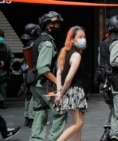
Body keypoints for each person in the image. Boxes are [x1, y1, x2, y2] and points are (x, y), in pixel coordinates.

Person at [29, 11, 67, 141]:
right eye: (56, 23)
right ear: (48, 25)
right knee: (61, 112)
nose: (58, 26)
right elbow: (43, 68)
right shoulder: (47, 43)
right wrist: (59, 83)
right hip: (46, 85)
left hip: (36, 85)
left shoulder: (38, 39)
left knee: (40, 112)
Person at [54, 26, 88, 141]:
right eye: (80, 37)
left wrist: (59, 91)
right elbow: (68, 79)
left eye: (84, 37)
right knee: (77, 123)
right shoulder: (76, 55)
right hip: (74, 91)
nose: (83, 39)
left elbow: (59, 74)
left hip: (70, 91)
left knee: (79, 124)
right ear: (72, 39)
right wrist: (61, 93)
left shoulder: (65, 53)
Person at [20, 23, 41, 127]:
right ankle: (32, 118)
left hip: (26, 70)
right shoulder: (34, 44)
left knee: (28, 95)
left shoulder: (27, 42)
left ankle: (27, 116)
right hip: (32, 70)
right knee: (33, 95)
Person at [0, 29, 14, 109]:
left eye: (1, 36)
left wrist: (9, 65)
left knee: (2, 88)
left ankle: (2, 102)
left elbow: (11, 57)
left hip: (3, 72)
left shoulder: (6, 47)